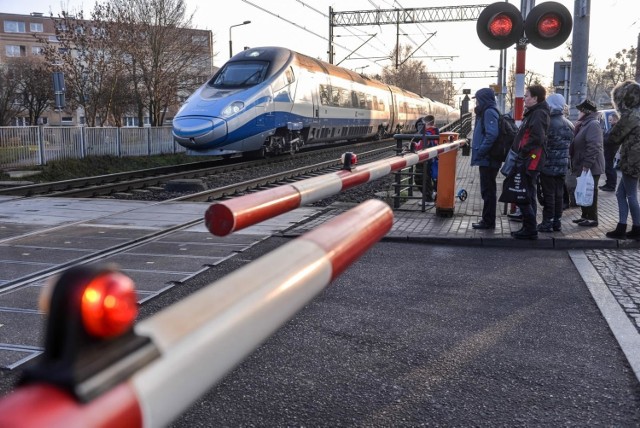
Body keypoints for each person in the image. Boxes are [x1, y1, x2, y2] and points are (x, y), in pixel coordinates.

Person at [510, 84, 550, 240]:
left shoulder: (538, 114)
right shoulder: (535, 112)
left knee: (525, 192)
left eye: (527, 96)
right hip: (530, 158)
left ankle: (530, 228)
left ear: (535, 98)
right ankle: (528, 226)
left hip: (531, 159)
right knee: (528, 193)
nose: (524, 98)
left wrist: (523, 152)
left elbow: (537, 138)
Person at [604, 80, 640, 240]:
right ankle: (623, 225)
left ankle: (636, 227)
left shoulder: (632, 115)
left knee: (630, 195)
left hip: (632, 160)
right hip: (633, 160)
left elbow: (613, 137)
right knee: (620, 194)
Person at [537, 93, 573, 232]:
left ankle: (547, 222)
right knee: (559, 195)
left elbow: (542, 142)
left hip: (548, 165)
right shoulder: (569, 124)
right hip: (562, 165)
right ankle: (557, 221)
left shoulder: (548, 123)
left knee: (549, 195)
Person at [570, 98, 605, 227]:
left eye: (580, 111)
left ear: (586, 112)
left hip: (590, 166)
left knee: (590, 191)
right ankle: (585, 216)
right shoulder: (585, 124)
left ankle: (592, 218)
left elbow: (594, 146)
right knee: (583, 190)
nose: (578, 113)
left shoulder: (593, 124)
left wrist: (587, 164)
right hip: (583, 164)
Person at [470, 87, 500, 230]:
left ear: (483, 99)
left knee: (488, 191)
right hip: (487, 158)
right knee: (487, 190)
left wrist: (481, 151)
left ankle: (488, 221)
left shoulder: (489, 112)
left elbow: (491, 135)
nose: (476, 103)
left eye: (477, 100)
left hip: (488, 159)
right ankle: (487, 220)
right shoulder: (486, 111)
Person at [413, 115, 440, 201]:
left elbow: (420, 147)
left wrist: (413, 145)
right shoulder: (435, 132)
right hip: (434, 161)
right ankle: (433, 196)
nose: (420, 127)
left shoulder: (428, 133)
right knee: (432, 180)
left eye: (421, 125)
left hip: (427, 161)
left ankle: (429, 199)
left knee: (421, 178)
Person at [600, 112, 620, 191]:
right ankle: (609, 183)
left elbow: (610, 140)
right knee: (608, 168)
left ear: (615, 119)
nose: (609, 121)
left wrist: (603, 139)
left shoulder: (616, 129)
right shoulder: (613, 128)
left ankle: (611, 185)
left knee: (610, 168)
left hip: (611, 151)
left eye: (610, 120)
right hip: (609, 151)